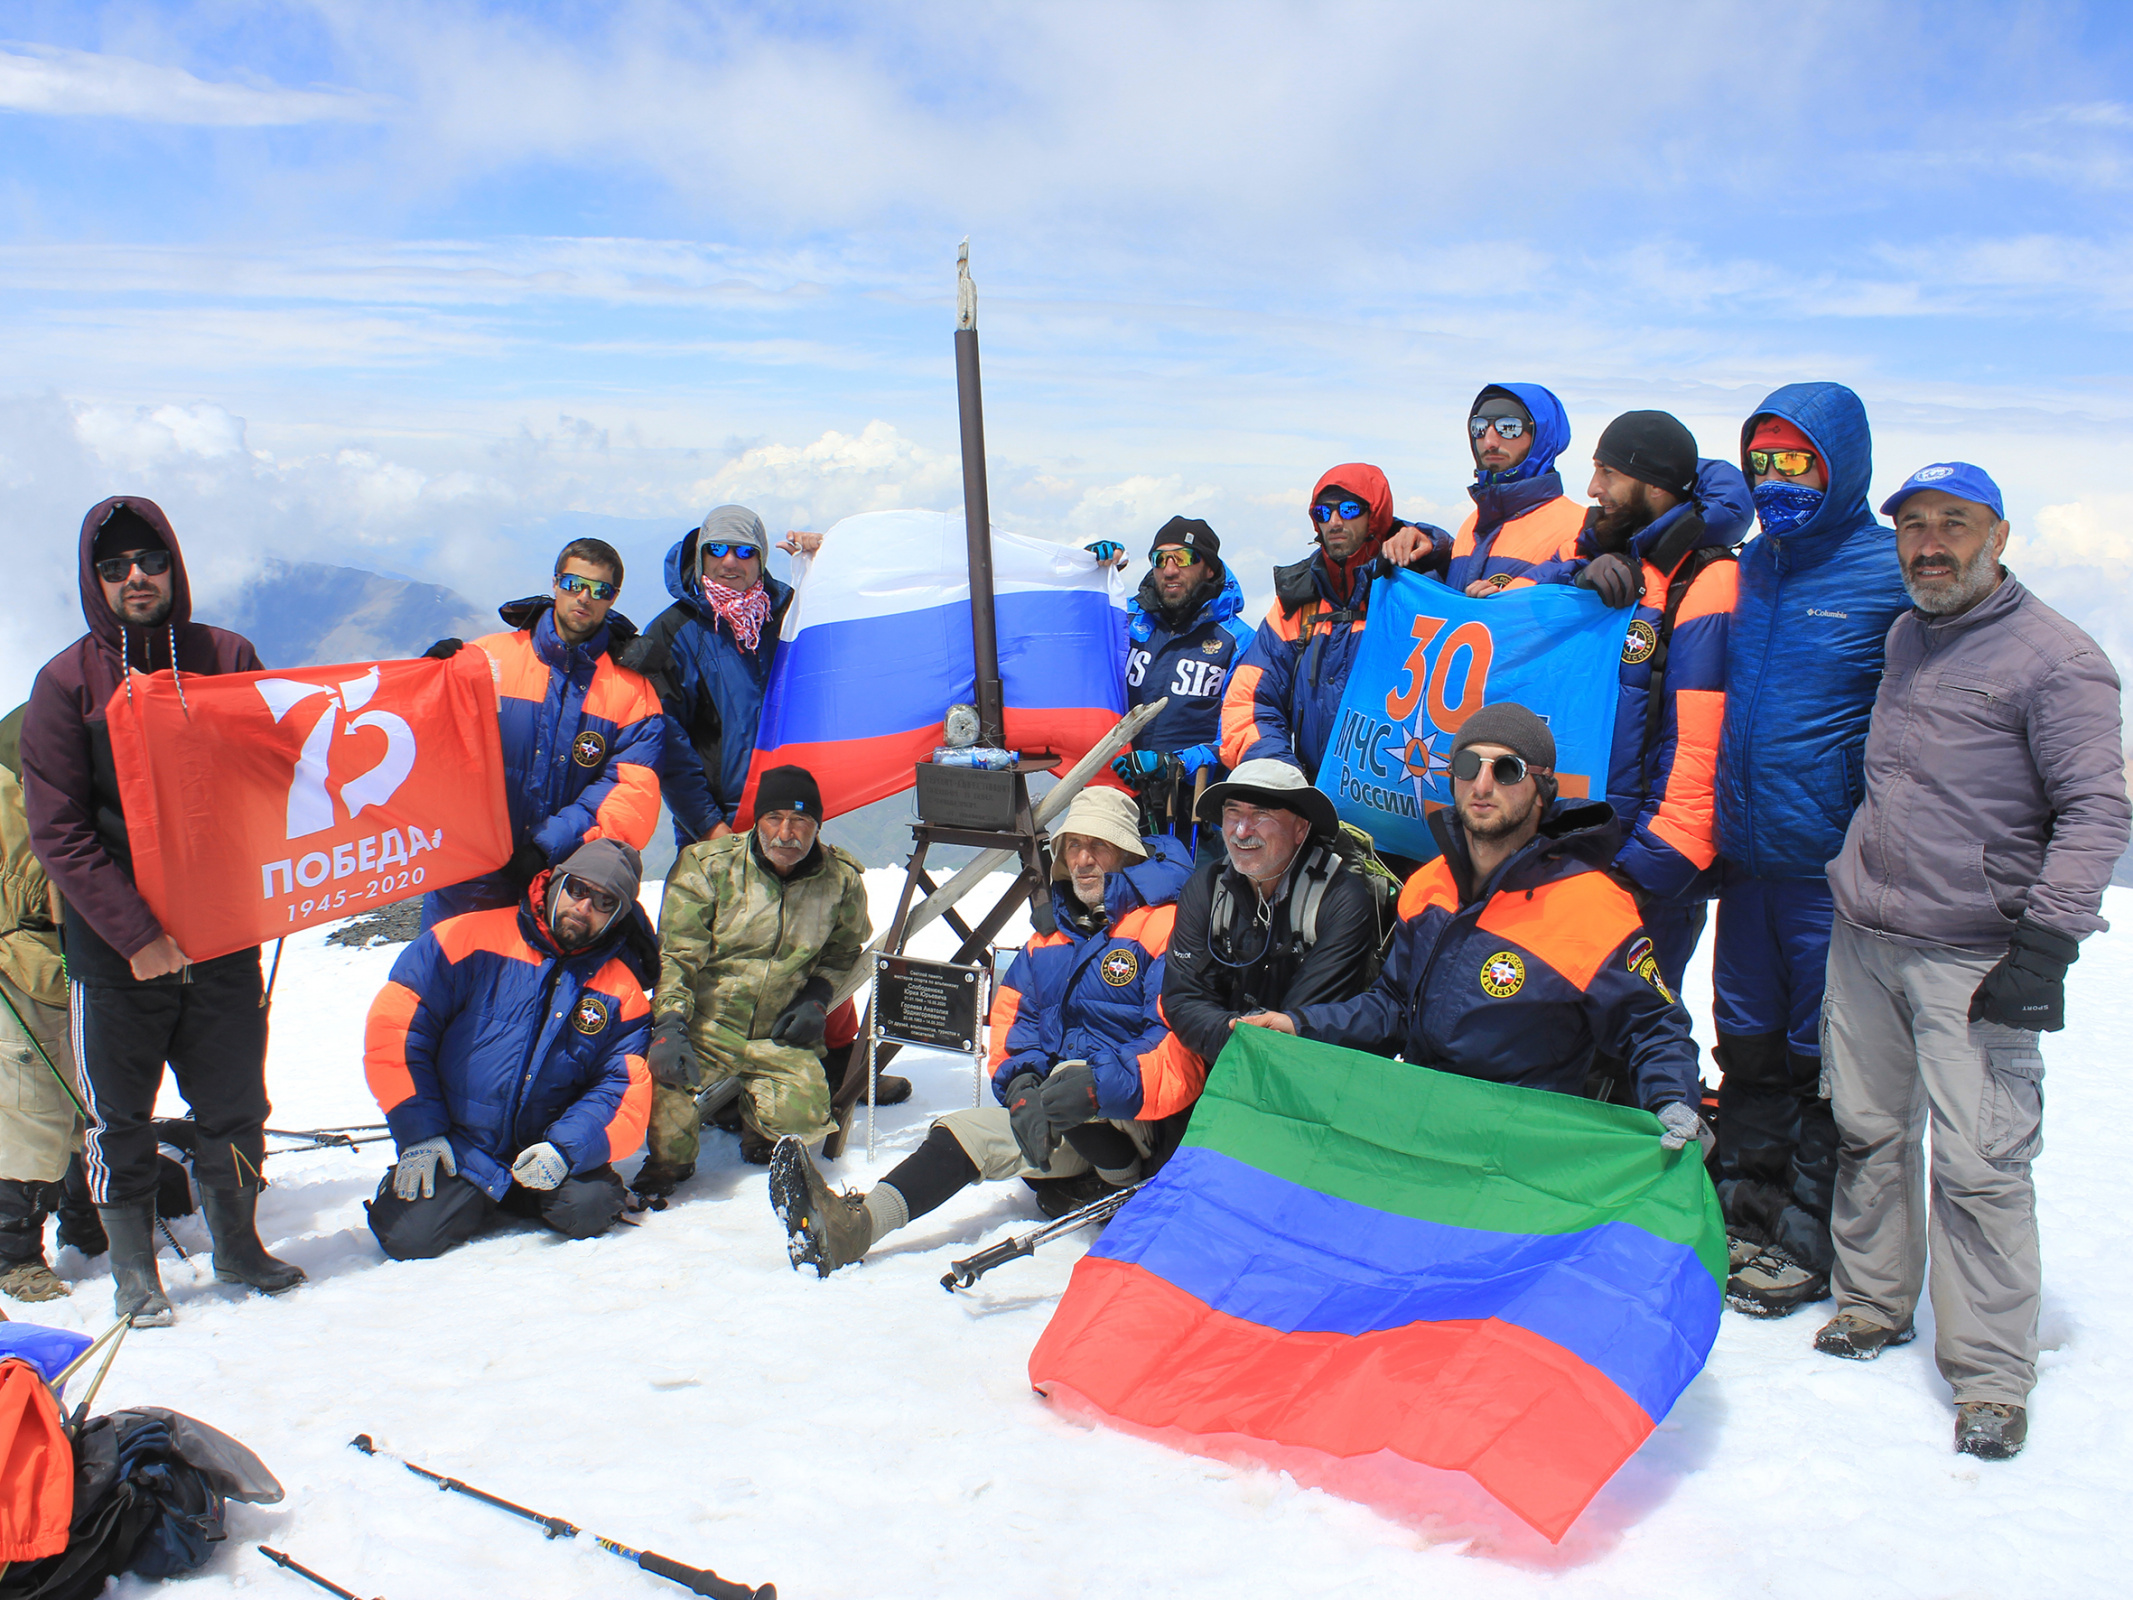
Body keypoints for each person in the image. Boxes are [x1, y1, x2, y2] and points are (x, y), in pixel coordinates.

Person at [1815, 463, 2128, 1461]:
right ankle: (1871, 1300)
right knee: (1867, 1129)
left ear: (2000, 531)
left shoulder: (2058, 659)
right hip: (1868, 932)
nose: (1930, 543)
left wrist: (2047, 943)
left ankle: (1991, 1373)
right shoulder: (1910, 632)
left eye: (1954, 523)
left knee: (1984, 1165)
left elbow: (2097, 808)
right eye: (1913, 526)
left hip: (1977, 953)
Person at [19, 497, 303, 1325]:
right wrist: (137, 935)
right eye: (115, 567)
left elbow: (280, 766)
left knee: (235, 1105)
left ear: (174, 566)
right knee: (119, 1120)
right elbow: (60, 833)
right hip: (116, 954)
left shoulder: (225, 655)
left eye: (150, 561)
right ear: (93, 580)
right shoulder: (65, 684)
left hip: (220, 938)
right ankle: (134, 1274)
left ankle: (238, 1246)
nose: (136, 577)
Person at [769, 786, 1200, 1275]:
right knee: (965, 1132)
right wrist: (1020, 1089)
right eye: (1072, 845)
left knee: (1074, 1073)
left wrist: (1095, 1087)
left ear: (1128, 851)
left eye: (1098, 845)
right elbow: (1016, 1030)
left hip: (1136, 1119)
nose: (1083, 859)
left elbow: (1177, 1046)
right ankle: (855, 1227)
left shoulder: (1167, 925)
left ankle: (1118, 1181)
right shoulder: (1047, 938)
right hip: (1064, 1117)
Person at [1240, 703, 1702, 1137]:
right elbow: (1393, 1008)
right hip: (1423, 1120)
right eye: (1467, 767)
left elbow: (1652, 1026)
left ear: (1542, 790)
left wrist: (1672, 1100)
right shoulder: (1428, 887)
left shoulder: (1590, 904)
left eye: (1506, 770)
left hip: (1519, 1145)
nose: (1482, 785)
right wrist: (1299, 1025)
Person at [1710, 383, 1911, 1318]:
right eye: (1763, 460)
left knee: (1818, 1062)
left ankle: (1805, 1239)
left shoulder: (1884, 571)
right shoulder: (1747, 566)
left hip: (1830, 872)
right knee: (1746, 1048)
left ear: (1843, 464)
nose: (1776, 479)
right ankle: (1740, 1215)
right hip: (1745, 863)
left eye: (1798, 460)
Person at [1537, 410, 1750, 991]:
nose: (1592, 490)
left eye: (1607, 472)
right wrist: (1570, 584)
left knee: (1629, 1038)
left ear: (1653, 485)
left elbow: (1700, 747)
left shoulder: (1707, 582)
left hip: (1643, 878)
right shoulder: (1605, 559)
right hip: (1574, 856)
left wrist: (1645, 872)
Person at [363, 839, 655, 1259]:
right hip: (462, 1145)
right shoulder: (465, 938)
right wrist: (421, 1131)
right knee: (408, 1237)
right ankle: (476, 1190)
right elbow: (396, 1032)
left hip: (544, 1149)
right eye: (578, 890)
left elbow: (620, 1091)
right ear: (554, 883)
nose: (584, 907)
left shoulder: (623, 992)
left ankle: (515, 1191)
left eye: (605, 901)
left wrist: (565, 1149)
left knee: (589, 1210)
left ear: (619, 916)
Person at [639, 765, 873, 1192]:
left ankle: (756, 1123)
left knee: (803, 1122)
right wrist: (670, 1024)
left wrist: (817, 996)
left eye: (800, 820)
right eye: (774, 818)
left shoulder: (840, 881)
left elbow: (844, 950)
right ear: (757, 820)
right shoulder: (707, 867)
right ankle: (674, 1160)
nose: (786, 833)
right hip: (706, 1028)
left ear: (817, 826)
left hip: (777, 1035)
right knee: (665, 1130)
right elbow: (677, 956)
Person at [420, 538, 665, 929]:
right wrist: (428, 675)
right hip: (466, 877)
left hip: (564, 886)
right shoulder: (487, 660)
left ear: (613, 597)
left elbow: (630, 794)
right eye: (573, 584)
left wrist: (547, 845)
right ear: (555, 583)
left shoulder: (634, 694)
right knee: (446, 983)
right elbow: (428, 738)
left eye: (599, 589)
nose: (584, 597)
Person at [1221, 465, 1448, 784]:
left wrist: (1435, 543)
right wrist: (1281, 774)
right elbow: (1248, 703)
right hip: (1312, 796)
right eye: (1323, 512)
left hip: (1399, 795)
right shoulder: (1295, 604)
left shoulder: (1418, 589)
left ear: (1376, 515)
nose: (1335, 521)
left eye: (1350, 509)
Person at [1161, 759, 1390, 1064]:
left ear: (1301, 829)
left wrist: (1245, 1037)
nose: (1241, 831)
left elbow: (1306, 1018)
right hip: (1223, 1056)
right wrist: (1236, 1034)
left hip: (1309, 1068)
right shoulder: (1203, 888)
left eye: (1261, 814)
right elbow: (1183, 999)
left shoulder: (1340, 900)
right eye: (1233, 813)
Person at [0, 705, 104, 1301]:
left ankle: (86, 1220)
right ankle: (14, 1254)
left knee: (87, 1099)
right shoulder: (23, 758)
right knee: (32, 1108)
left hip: (82, 959)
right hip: (22, 960)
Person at [642, 506, 794, 848]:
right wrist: (710, 827)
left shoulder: (789, 615)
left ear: (761, 558)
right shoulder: (673, 633)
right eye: (717, 548)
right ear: (700, 554)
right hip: (715, 830)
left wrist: (818, 562)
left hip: (791, 821)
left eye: (744, 551)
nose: (729, 561)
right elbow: (666, 741)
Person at [1112, 517, 1257, 850]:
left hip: (1196, 814)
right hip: (1119, 798)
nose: (1170, 569)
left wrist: (1174, 764)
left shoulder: (1239, 641)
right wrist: (1092, 575)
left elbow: (1240, 736)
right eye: (1160, 559)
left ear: (1209, 568)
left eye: (1184, 558)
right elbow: (1077, 643)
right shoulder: (1126, 621)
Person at [1438, 383, 1586, 596]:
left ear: (1541, 436)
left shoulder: (1578, 528)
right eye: (1478, 428)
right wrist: (1421, 550)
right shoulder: (1473, 522)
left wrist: (1511, 603)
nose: (1489, 441)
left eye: (1509, 427)